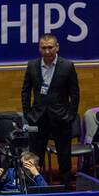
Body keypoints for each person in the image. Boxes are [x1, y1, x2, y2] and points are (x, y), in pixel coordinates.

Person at [21, 33, 80, 187]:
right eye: (43, 48)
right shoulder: (32, 65)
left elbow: (74, 94)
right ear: (39, 48)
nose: (47, 51)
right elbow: (25, 91)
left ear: (57, 47)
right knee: (34, 155)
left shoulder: (67, 65)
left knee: (64, 156)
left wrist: (70, 115)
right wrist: (28, 114)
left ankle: (66, 187)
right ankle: (34, 187)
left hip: (61, 118)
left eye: (50, 47)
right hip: (37, 119)